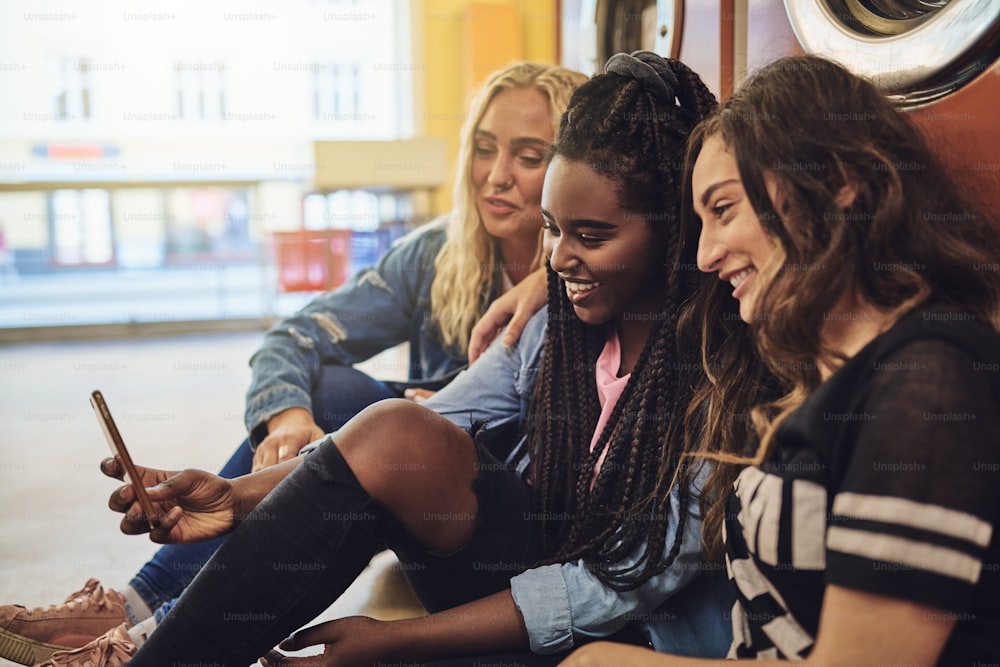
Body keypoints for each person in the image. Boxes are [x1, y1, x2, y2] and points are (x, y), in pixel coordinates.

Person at [93, 52, 729, 667]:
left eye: (589, 235)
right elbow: (424, 427)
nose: (559, 259)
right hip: (533, 556)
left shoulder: (717, 378)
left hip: (618, 637)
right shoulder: (552, 325)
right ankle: (154, 644)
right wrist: (238, 496)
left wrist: (401, 639)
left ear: (676, 228)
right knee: (394, 427)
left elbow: (608, 590)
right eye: (551, 229)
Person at [0, 61, 588, 667]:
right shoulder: (438, 253)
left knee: (397, 431)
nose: (496, 177)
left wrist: (430, 426)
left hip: (475, 513)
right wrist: (286, 419)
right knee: (335, 392)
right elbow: (298, 335)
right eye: (484, 149)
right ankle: (134, 606)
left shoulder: (590, 295)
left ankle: (159, 635)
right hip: (401, 468)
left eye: (528, 155)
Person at [559, 55, 1000, 667]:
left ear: (838, 180)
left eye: (723, 209)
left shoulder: (928, 384)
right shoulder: (837, 369)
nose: (707, 254)